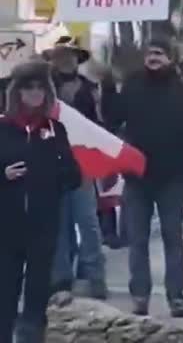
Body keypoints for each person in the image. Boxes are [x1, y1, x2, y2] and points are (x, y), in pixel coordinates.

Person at [104, 37, 183, 317]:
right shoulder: (133, 86)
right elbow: (113, 119)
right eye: (150, 53)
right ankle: (140, 295)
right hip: (137, 178)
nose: (154, 58)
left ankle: (177, 296)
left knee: (173, 238)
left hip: (172, 179)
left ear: (171, 58)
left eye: (159, 53)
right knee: (136, 239)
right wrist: (108, 86)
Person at [0, 59, 82, 343]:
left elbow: (74, 176)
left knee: (36, 293)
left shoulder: (55, 130)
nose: (34, 94)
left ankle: (31, 336)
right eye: (28, 88)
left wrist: (54, 175)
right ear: (17, 93)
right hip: (7, 227)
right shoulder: (3, 128)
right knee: (5, 291)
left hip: (42, 226)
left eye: (40, 88)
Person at [43, 36, 108, 300]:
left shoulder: (92, 89)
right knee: (58, 223)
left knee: (88, 221)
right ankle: (60, 280)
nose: (65, 59)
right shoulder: (44, 90)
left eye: (69, 55)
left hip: (83, 162)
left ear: (76, 59)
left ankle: (95, 278)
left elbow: (102, 125)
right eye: (60, 55)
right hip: (51, 163)